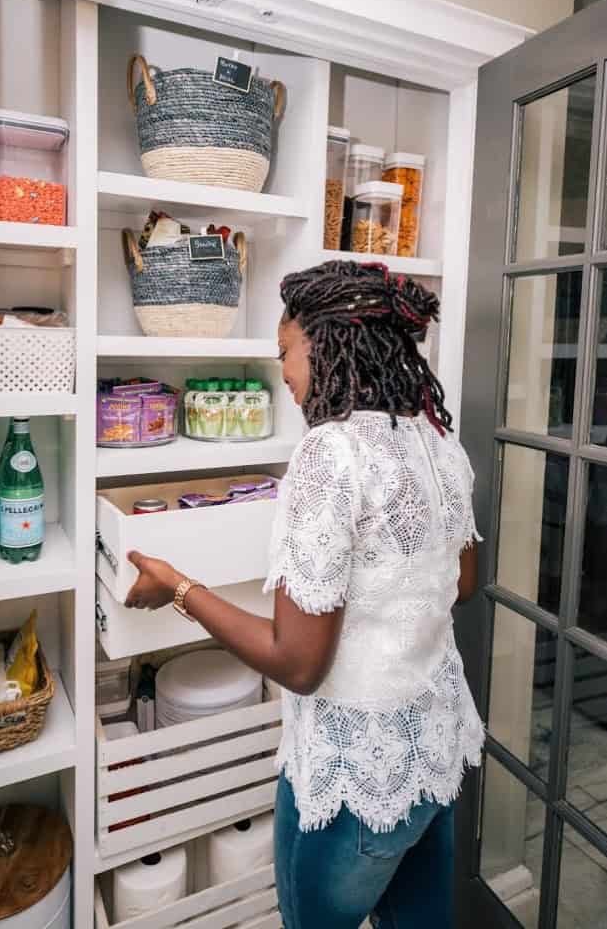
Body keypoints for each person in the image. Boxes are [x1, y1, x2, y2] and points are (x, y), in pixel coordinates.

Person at [125, 260, 484, 929]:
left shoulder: (331, 453)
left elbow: (297, 662)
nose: (284, 373)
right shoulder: (438, 444)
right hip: (431, 749)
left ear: (326, 343)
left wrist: (177, 587)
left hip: (354, 776)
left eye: (285, 352)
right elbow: (462, 585)